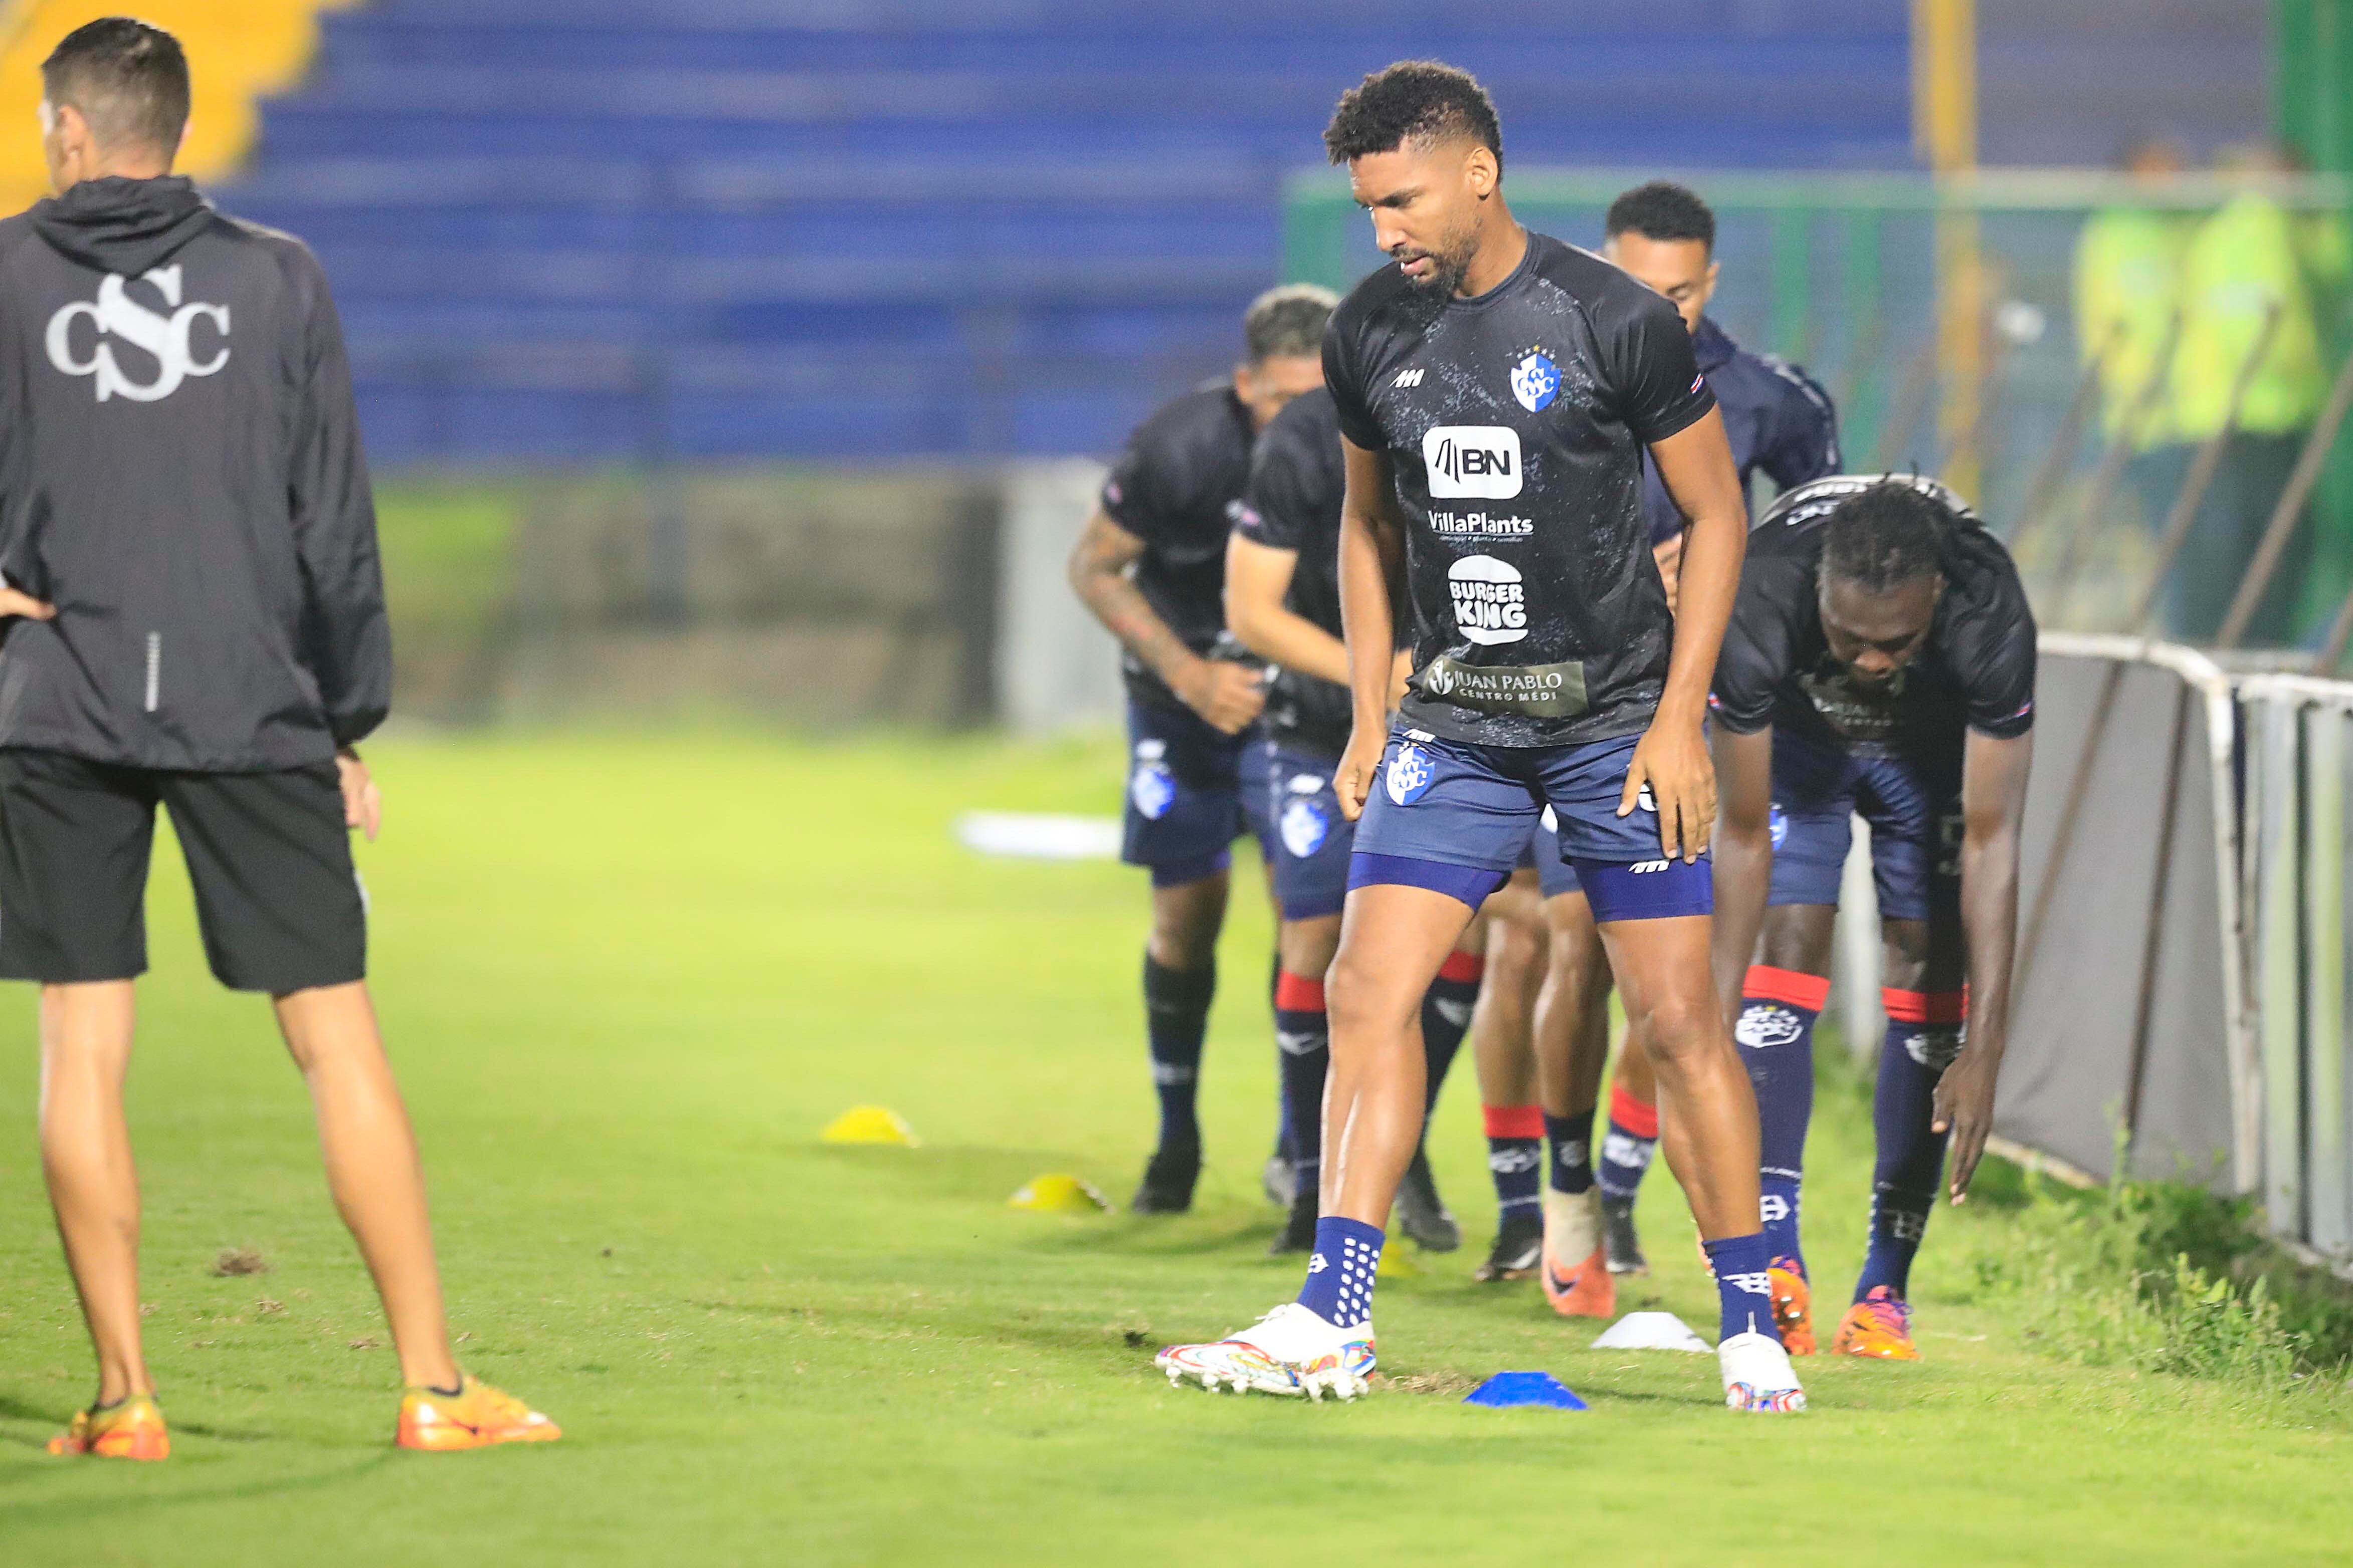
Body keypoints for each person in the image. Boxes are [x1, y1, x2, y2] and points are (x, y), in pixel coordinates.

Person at [1156, 61, 1804, 1412]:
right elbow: (1362, 523)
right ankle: (1334, 1315)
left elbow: (1716, 517)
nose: (1382, 228)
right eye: (1366, 205)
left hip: (1612, 721)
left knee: (1679, 1024)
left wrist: (1681, 720)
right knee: (1361, 991)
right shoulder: (1368, 334)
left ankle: (1748, 1319)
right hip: (1452, 723)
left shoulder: (1612, 319)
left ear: (1476, 176)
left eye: (1398, 198)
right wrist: (1375, 713)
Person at [8, 19, 555, 1457]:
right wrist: (342, 717)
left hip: (57, 701)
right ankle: (434, 1390)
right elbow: (334, 528)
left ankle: (125, 1401)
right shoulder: (278, 278)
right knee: (334, 1042)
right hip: (251, 698)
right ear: (173, 129)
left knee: (82, 1042)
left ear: (65, 129)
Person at [1514, 180, 1848, 1289]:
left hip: (1700, 717)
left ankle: (1617, 1189)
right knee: (1575, 946)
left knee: (1677, 985)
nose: (1662, 308)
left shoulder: (1771, 401)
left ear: (1711, 284)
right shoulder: (1539, 375)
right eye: (1638, 287)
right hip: (1575, 706)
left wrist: (1724, 565)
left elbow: (1826, 555)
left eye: (1681, 292)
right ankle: (1570, 1190)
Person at [1710, 476, 2035, 1359]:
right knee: (1786, 942)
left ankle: (1882, 1291)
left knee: (1929, 966)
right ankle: (1777, 1265)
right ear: (1818, 587)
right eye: (1850, 637)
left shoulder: (1986, 605)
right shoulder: (1761, 588)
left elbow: (1994, 839)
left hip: (1923, 757)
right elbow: (1741, 835)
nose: (1871, 660)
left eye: (1895, 641)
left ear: (1935, 597)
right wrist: (1704, 1020)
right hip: (1798, 745)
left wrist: (1987, 1045)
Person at [1068, 285, 1332, 1213]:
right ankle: (1175, 1139)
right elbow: (1093, 565)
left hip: (1288, 709)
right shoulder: (1179, 448)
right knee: (1186, 917)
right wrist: (1187, 675)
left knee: (1304, 920)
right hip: (1181, 708)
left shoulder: (1359, 447)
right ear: (1243, 384)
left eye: (1313, 402)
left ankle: (1296, 1151)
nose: (1293, 422)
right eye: (1277, 403)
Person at [1226, 381, 1477, 1255]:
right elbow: (1249, 607)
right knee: (1317, 932)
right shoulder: (1302, 438)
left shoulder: (1485, 408)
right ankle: (1308, 1176)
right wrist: (1371, 684)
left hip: (1465, 726)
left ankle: (1398, 1142)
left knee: (1465, 941)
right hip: (1315, 727)